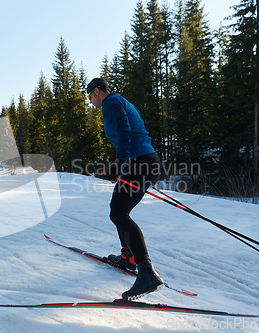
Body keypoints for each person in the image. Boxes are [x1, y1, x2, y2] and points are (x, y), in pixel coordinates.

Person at [87, 77, 164, 301]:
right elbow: (134, 131)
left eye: (90, 96)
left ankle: (147, 272)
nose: (90, 101)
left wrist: (120, 164)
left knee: (118, 212)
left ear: (98, 91)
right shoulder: (122, 101)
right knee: (118, 209)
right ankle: (128, 256)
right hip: (146, 162)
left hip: (140, 163)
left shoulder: (110, 103)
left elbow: (124, 130)